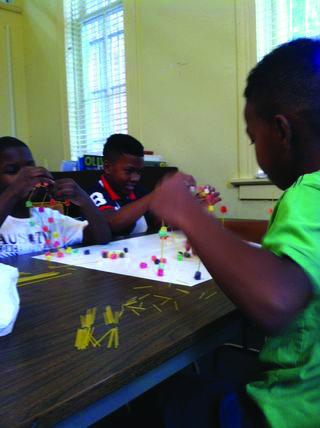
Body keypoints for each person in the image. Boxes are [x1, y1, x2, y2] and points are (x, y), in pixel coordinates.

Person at [149, 38, 320, 427]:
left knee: (168, 398)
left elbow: (276, 302)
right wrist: (218, 228)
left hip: (290, 412)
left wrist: (186, 210)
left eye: (253, 138)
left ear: (282, 131)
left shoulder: (308, 191)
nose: (255, 148)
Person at [0, 136, 111, 257]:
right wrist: (14, 191)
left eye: (30, 168)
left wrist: (83, 199)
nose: (26, 176)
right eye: (12, 171)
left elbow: (102, 237)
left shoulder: (49, 219)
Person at [89, 133, 154, 237]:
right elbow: (110, 223)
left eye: (139, 172)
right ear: (107, 167)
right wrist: (155, 195)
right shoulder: (95, 193)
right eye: (129, 171)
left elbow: (162, 218)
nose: (136, 178)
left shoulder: (137, 190)